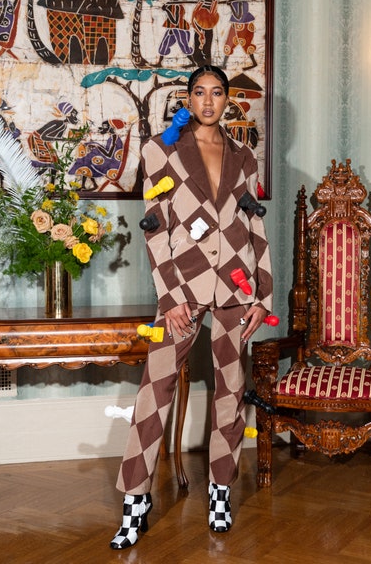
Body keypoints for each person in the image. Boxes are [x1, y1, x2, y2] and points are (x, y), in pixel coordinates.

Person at [110, 65, 273, 550]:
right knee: (154, 390)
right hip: (182, 289)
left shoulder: (244, 156)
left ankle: (220, 491)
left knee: (231, 391)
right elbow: (155, 227)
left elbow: (255, 225)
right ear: (187, 98)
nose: (207, 100)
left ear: (227, 100)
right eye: (199, 92)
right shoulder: (159, 151)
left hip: (236, 288)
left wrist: (262, 295)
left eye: (216, 93)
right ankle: (135, 502)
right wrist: (170, 296)